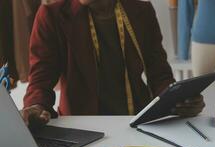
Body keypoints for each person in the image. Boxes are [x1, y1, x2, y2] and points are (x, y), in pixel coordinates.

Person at [21, 0, 205, 128]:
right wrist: (36, 107)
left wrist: (179, 101)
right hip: (83, 129)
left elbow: (160, 76)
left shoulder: (142, 11)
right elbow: (40, 80)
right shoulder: (52, 16)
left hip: (137, 123)